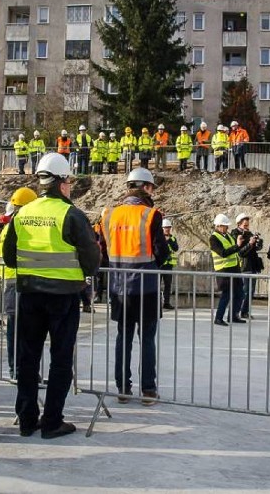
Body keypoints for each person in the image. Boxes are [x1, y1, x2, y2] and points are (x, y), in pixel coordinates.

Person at [2, 152, 100, 439]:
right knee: (60, 360)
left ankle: (26, 420)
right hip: (63, 297)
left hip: (29, 295)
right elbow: (92, 260)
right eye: (68, 180)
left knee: (28, 359)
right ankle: (52, 421)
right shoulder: (71, 214)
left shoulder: (22, 213)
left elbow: (9, 257)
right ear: (61, 182)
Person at [99, 168, 169, 405]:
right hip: (147, 288)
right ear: (146, 188)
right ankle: (148, 391)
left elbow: (102, 250)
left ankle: (123, 389)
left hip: (119, 288)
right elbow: (162, 252)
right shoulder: (151, 215)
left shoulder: (109, 215)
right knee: (147, 340)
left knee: (124, 338)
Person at [0, 187, 38, 379]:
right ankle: (18, 370)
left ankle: (20, 369)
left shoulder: (10, 227)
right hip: (18, 283)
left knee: (20, 330)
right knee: (20, 331)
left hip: (14, 282)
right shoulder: (19, 229)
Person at [210, 214, 247, 326]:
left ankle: (233, 315)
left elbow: (235, 250)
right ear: (219, 226)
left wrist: (239, 244)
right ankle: (218, 318)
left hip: (234, 269)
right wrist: (237, 245)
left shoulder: (228, 236)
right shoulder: (214, 238)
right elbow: (223, 253)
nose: (227, 228)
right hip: (224, 270)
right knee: (226, 294)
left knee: (240, 293)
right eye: (225, 226)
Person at [232, 213, 263, 319]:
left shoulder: (249, 233)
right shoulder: (235, 234)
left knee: (251, 291)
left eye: (247, 225)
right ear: (238, 224)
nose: (247, 227)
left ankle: (245, 311)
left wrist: (257, 243)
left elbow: (254, 249)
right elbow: (240, 252)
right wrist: (250, 244)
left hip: (252, 266)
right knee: (244, 291)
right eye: (245, 225)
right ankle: (237, 311)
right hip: (243, 266)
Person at [160, 218, 179, 310]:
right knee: (156, 285)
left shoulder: (173, 238)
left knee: (168, 285)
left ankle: (166, 302)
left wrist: (170, 241)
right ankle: (156, 302)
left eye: (168, 227)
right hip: (160, 265)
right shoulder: (159, 238)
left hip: (168, 266)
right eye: (165, 227)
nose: (167, 229)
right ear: (162, 228)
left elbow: (176, 248)